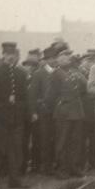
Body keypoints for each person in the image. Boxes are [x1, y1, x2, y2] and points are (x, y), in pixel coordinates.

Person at [0, 42, 29, 189]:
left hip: (16, 118)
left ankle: (15, 181)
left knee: (16, 151)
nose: (10, 58)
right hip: (0, 118)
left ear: (16, 56)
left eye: (13, 55)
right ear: (3, 55)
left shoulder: (21, 73)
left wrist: (20, 108)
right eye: (7, 55)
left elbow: (24, 96)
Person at [48, 46, 88, 178]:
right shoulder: (55, 73)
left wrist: (78, 72)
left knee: (76, 141)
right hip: (63, 112)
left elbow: (84, 89)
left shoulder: (75, 72)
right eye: (63, 56)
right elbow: (51, 95)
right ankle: (61, 169)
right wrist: (60, 106)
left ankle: (74, 167)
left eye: (68, 56)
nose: (67, 58)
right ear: (57, 59)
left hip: (76, 111)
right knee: (62, 141)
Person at [28, 46, 58, 175]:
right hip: (43, 111)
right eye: (50, 58)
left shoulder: (58, 72)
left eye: (54, 58)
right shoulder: (39, 73)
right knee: (44, 139)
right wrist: (33, 112)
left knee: (54, 138)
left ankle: (51, 164)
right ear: (45, 60)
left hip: (56, 111)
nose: (52, 61)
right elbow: (32, 94)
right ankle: (44, 167)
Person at [79, 49, 95, 172]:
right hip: (83, 110)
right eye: (88, 60)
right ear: (84, 61)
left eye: (93, 60)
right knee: (82, 139)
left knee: (94, 138)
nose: (90, 63)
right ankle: (82, 163)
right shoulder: (80, 73)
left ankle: (92, 163)